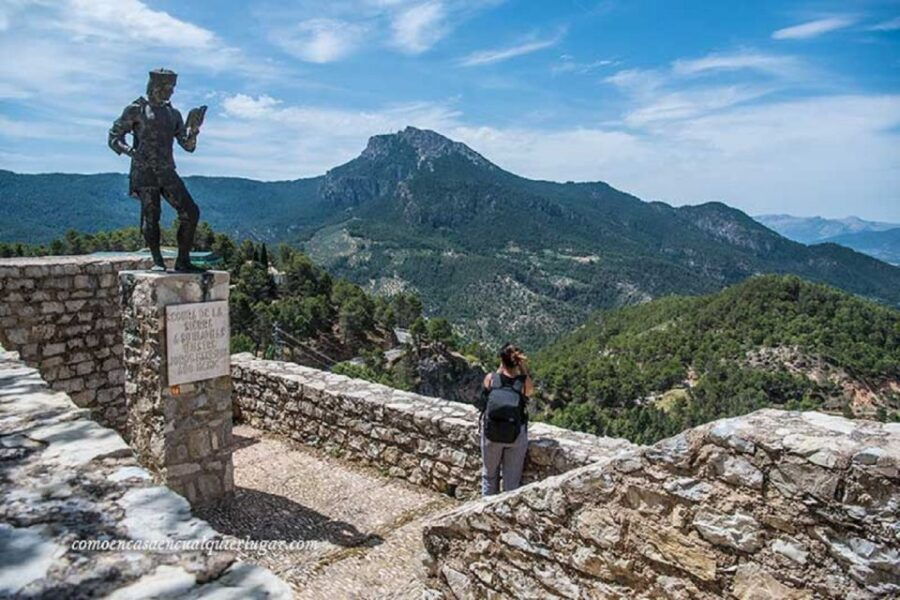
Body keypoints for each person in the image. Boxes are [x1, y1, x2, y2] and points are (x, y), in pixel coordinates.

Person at [108, 68, 207, 272]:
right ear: (155, 87)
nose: (171, 92)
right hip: (144, 171)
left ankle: (183, 260)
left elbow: (188, 146)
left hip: (167, 170)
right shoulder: (136, 109)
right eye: (168, 88)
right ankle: (157, 260)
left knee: (191, 212)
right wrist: (131, 152)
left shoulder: (174, 114)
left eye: (172, 88)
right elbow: (114, 137)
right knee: (151, 216)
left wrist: (194, 131)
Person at [476, 342, 533, 495]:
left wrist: (500, 367)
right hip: (515, 436)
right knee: (511, 483)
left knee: (489, 476)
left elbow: (485, 396)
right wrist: (522, 369)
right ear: (518, 361)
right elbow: (530, 392)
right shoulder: (522, 384)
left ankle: (486, 511)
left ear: (501, 360)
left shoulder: (490, 378)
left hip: (491, 435)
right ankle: (506, 514)